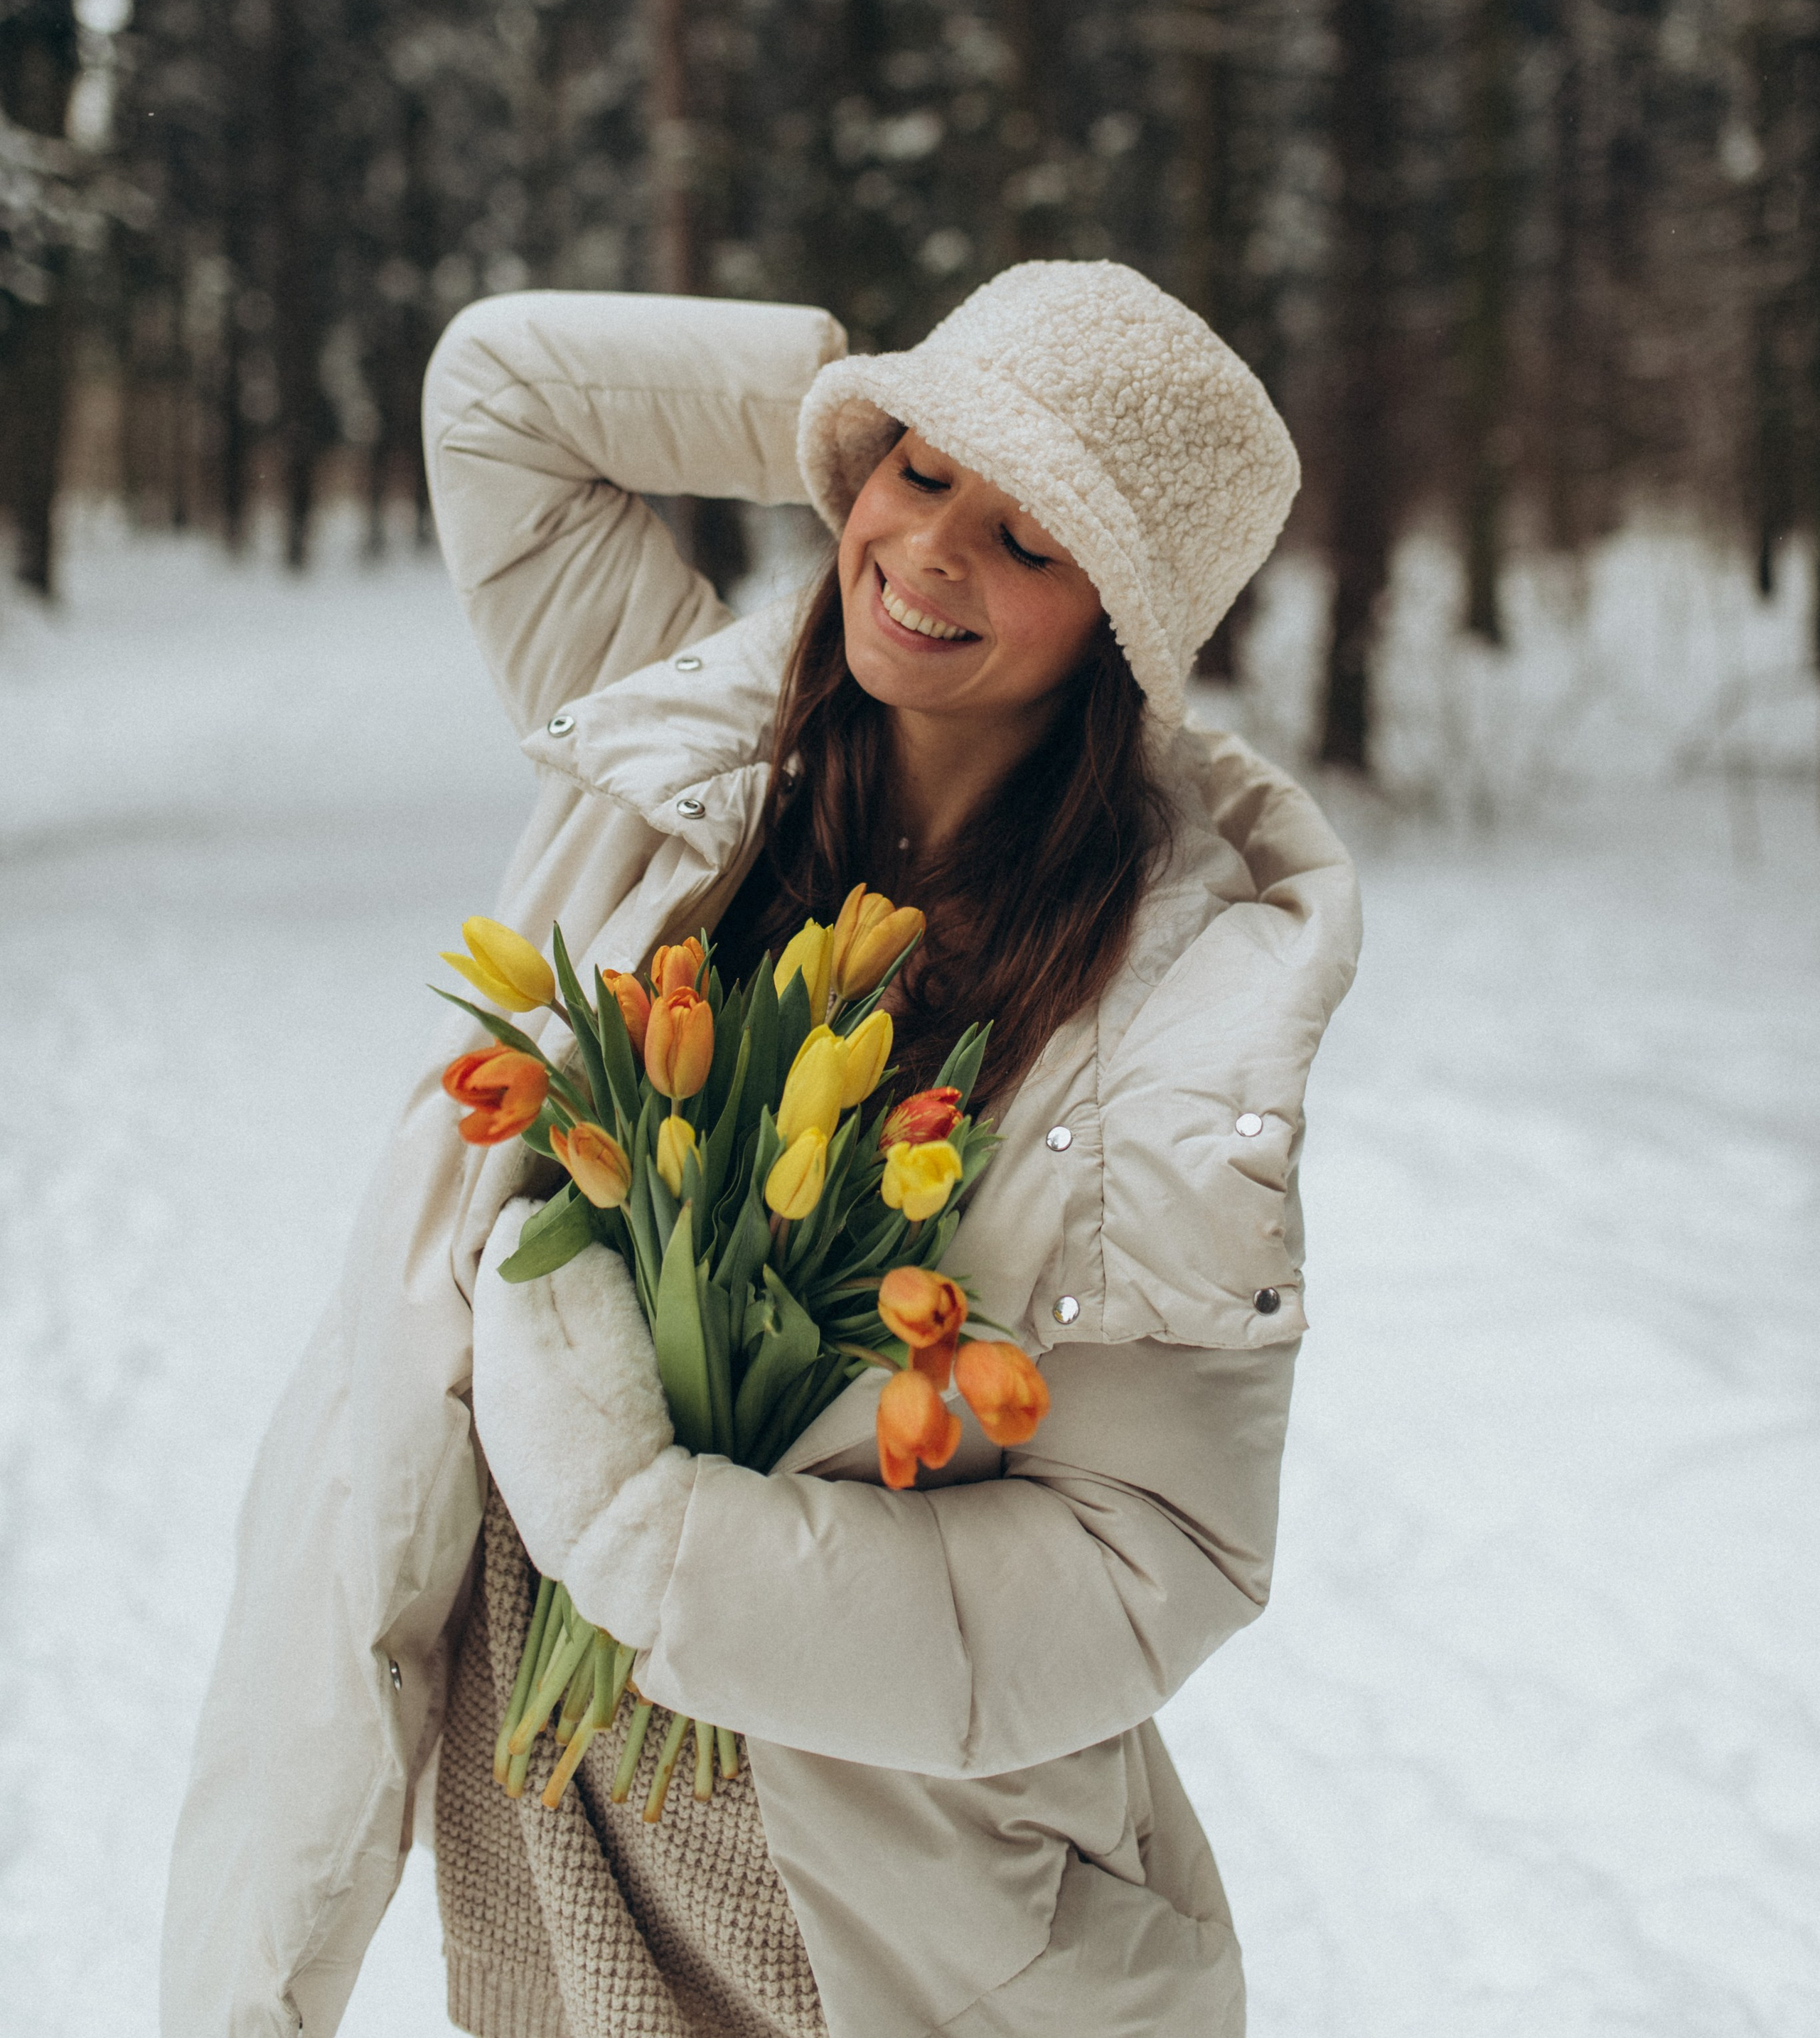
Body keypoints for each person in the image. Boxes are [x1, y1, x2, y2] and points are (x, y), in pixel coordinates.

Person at [163, 259, 1361, 2038]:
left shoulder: (1163, 1010)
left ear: (1122, 623)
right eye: (919, 472)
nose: (932, 552)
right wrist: (844, 399)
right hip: (541, 1768)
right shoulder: (681, 743)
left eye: (1033, 541)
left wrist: (660, 1546)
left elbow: (1146, 1557)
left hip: (877, 1892)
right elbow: (502, 389)